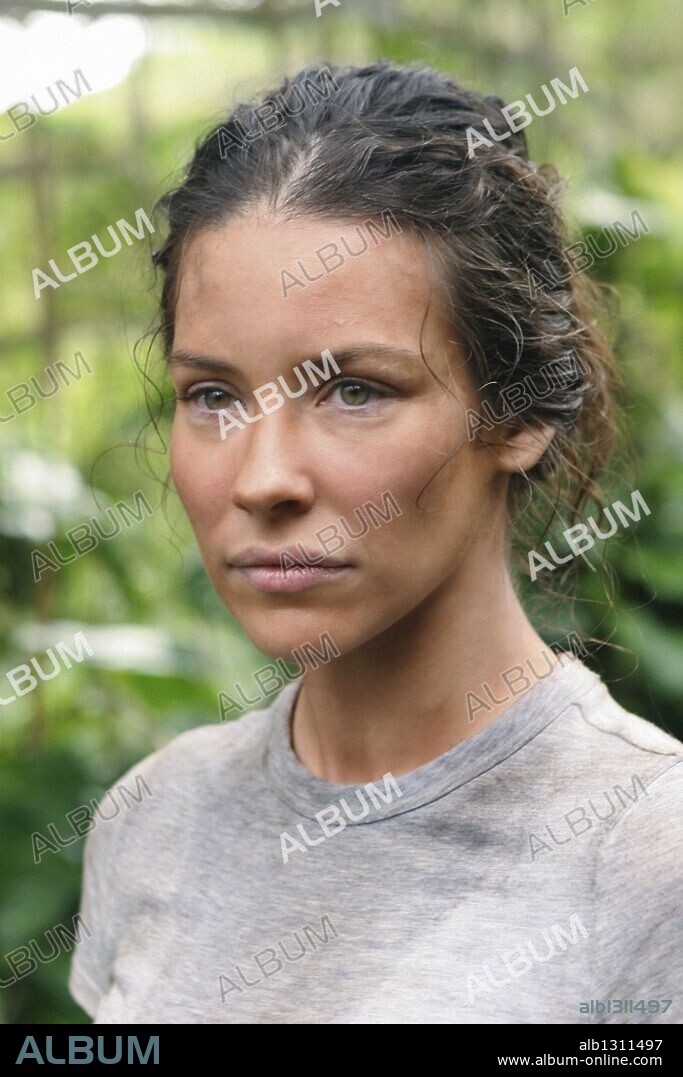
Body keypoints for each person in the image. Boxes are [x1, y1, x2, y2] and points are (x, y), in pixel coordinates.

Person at [69, 61, 682, 1024]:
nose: (263, 478)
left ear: (514, 412)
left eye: (355, 389)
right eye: (214, 396)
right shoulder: (155, 815)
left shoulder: (649, 853)